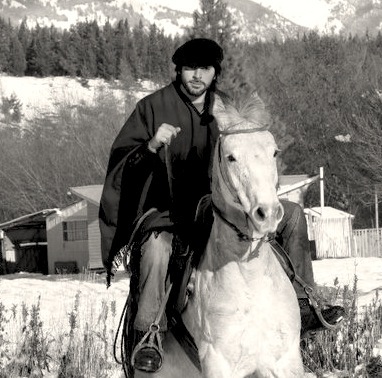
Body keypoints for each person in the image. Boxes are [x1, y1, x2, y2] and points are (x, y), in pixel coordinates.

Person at [99, 38, 345, 373]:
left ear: (215, 73)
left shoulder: (227, 110)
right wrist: (153, 144)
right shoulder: (152, 107)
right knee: (157, 250)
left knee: (294, 216)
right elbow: (122, 163)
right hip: (169, 208)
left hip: (225, 204)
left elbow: (254, 153)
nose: (196, 76)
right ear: (179, 70)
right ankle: (149, 335)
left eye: (205, 69)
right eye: (189, 68)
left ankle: (305, 305)